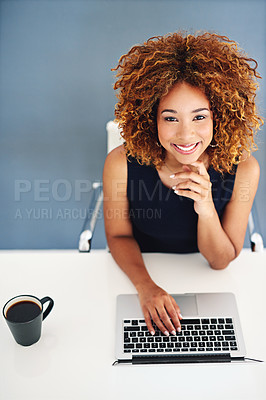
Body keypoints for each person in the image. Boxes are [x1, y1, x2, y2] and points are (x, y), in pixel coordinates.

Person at [103, 32, 263, 337]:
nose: (186, 135)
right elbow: (119, 235)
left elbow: (220, 262)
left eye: (199, 116)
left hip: (210, 283)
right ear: (151, 119)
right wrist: (146, 287)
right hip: (144, 271)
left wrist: (206, 207)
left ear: (220, 116)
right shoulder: (120, 163)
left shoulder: (244, 169)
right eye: (171, 118)